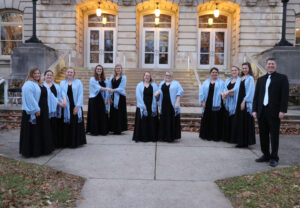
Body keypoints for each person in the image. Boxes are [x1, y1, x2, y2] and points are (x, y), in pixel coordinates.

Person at [253, 58, 289, 167]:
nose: (270, 66)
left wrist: (282, 110)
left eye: (272, 64)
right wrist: (254, 110)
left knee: (274, 136)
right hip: (262, 111)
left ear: (275, 65)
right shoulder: (260, 80)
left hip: (274, 112)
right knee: (263, 135)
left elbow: (284, 96)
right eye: (269, 64)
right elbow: (256, 97)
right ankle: (266, 155)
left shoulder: (282, 78)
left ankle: (274, 157)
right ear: (266, 65)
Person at [20, 68, 54, 157]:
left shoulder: (39, 83)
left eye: (38, 73)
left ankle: (41, 149)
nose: (37, 75)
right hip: (33, 111)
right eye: (35, 73)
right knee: (33, 132)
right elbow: (30, 97)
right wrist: (36, 109)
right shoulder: (28, 84)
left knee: (39, 131)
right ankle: (31, 151)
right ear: (31, 74)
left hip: (42, 111)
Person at [60, 67, 86, 148]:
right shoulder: (62, 83)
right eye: (68, 72)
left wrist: (78, 106)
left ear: (74, 74)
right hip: (66, 106)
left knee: (75, 124)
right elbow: (60, 94)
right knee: (66, 124)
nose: (69, 73)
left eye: (71, 72)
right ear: (66, 73)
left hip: (75, 105)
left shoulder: (78, 82)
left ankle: (75, 142)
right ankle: (66, 142)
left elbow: (80, 94)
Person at [231, 62, 256, 148]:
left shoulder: (250, 79)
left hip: (245, 102)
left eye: (246, 68)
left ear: (249, 69)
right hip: (239, 101)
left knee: (245, 121)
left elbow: (250, 91)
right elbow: (236, 90)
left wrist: (244, 101)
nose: (244, 70)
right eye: (243, 68)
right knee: (240, 122)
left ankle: (245, 142)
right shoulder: (241, 78)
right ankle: (240, 141)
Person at [155, 71, 184, 142]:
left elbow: (180, 92)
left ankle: (171, 137)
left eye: (169, 75)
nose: (167, 76)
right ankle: (163, 136)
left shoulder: (176, 83)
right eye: (166, 75)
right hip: (164, 105)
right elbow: (159, 91)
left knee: (171, 120)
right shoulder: (162, 83)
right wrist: (157, 94)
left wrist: (177, 102)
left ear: (172, 76)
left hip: (172, 105)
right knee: (163, 120)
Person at [199, 67, 225, 141]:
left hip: (217, 103)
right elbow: (202, 92)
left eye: (216, 72)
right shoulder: (205, 82)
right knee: (207, 119)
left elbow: (224, 91)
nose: (214, 74)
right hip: (208, 103)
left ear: (218, 73)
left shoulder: (221, 82)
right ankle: (206, 135)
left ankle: (215, 136)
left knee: (216, 120)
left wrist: (224, 95)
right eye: (213, 72)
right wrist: (203, 101)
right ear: (210, 73)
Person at [133, 72, 159, 142]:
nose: (147, 77)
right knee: (143, 122)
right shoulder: (139, 85)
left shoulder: (154, 85)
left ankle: (152, 137)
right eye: (146, 75)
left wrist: (158, 94)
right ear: (143, 76)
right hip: (142, 106)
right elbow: (138, 96)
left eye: (148, 76)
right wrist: (143, 106)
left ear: (150, 77)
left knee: (152, 122)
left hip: (152, 106)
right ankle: (142, 137)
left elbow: (158, 94)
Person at [43, 70, 65, 148]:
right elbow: (51, 97)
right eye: (47, 75)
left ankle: (54, 144)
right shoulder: (42, 85)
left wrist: (63, 102)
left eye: (50, 75)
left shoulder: (56, 86)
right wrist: (60, 103)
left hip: (55, 110)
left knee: (54, 127)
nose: (49, 76)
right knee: (47, 128)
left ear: (53, 76)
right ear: (44, 76)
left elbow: (60, 95)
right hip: (46, 110)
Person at [86, 65, 109, 135]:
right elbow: (99, 88)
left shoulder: (105, 79)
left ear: (102, 71)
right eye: (98, 69)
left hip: (102, 99)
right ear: (95, 70)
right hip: (94, 99)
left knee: (102, 114)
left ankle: (102, 130)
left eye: (100, 69)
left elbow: (106, 90)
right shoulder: (92, 79)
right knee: (94, 115)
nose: (99, 70)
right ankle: (94, 131)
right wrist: (108, 89)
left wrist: (106, 98)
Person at [222, 66, 241, 143]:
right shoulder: (228, 80)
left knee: (234, 121)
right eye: (232, 70)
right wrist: (224, 93)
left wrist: (227, 92)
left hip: (236, 103)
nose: (234, 72)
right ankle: (228, 137)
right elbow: (224, 89)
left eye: (235, 70)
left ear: (238, 71)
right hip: (228, 102)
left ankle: (234, 138)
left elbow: (236, 90)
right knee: (228, 120)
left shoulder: (240, 80)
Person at [107, 64, 128, 134]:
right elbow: (109, 86)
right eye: (117, 68)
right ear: (115, 69)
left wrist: (113, 90)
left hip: (120, 97)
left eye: (119, 68)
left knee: (120, 112)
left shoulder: (124, 77)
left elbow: (122, 88)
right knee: (113, 113)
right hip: (113, 96)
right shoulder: (112, 77)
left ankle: (120, 129)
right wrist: (110, 96)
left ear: (121, 69)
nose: (118, 69)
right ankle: (114, 129)